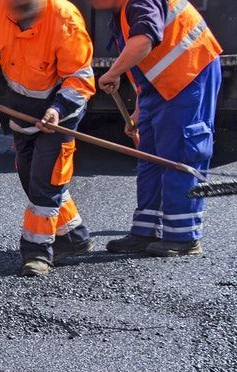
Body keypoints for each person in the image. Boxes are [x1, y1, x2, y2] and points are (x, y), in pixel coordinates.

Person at [0, 0, 97, 277]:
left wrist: (57, 110)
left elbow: (79, 79)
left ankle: (38, 253)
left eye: (25, 9)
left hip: (60, 114)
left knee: (46, 182)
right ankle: (75, 236)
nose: (17, 14)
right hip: (19, 111)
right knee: (30, 177)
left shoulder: (65, 20)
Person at [88, 0, 222, 257]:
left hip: (190, 72)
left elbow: (144, 41)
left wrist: (113, 73)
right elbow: (146, 64)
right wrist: (140, 110)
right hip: (159, 86)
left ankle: (183, 236)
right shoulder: (122, 12)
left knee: (182, 152)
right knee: (149, 155)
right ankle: (146, 230)